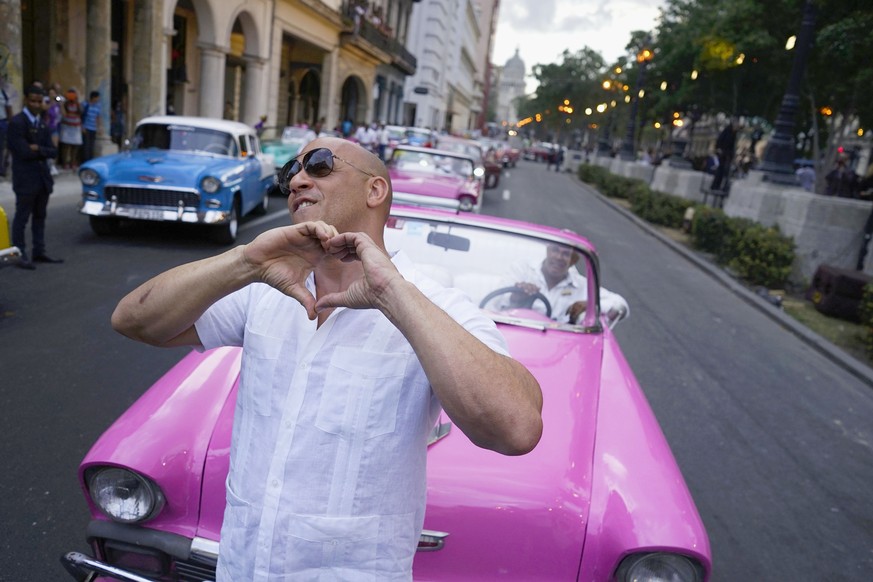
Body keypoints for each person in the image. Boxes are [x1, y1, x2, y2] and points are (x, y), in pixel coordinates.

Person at [110, 136, 543, 580]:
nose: (297, 179)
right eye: (290, 172)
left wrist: (391, 293)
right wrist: (244, 261)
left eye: (319, 165)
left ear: (375, 191)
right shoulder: (266, 287)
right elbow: (135, 321)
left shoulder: (432, 306)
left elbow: (516, 429)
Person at [502, 243, 629, 325]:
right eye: (555, 250)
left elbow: (622, 306)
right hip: (515, 328)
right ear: (547, 251)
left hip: (558, 344)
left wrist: (591, 305)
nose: (558, 257)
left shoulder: (581, 284)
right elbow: (493, 301)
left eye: (566, 254)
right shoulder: (522, 269)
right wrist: (515, 295)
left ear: (573, 261)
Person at [7, 85, 62, 269]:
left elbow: (53, 152)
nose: (37, 104)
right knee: (21, 218)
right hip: (25, 180)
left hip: (42, 181)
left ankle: (39, 251)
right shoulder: (17, 123)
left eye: (40, 101)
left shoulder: (43, 124)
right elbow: (22, 151)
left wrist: (37, 148)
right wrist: (41, 151)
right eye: (33, 100)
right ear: (26, 100)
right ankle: (19, 253)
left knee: (39, 217)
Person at [710, 118, 737, 192]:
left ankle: (721, 186)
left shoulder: (733, 133)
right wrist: (719, 149)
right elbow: (720, 141)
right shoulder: (727, 131)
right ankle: (715, 185)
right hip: (723, 154)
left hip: (727, 154)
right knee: (720, 169)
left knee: (725, 170)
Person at [59, 88, 83, 169]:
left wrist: (77, 102)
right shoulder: (65, 104)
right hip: (67, 126)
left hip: (76, 127)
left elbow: (81, 112)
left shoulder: (78, 104)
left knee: (75, 146)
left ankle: (73, 162)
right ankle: (65, 163)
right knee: (66, 146)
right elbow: (63, 113)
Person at [81, 90, 102, 163]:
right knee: (86, 145)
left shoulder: (98, 106)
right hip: (86, 127)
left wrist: (99, 127)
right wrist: (82, 126)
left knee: (91, 145)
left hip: (93, 127)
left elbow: (98, 117)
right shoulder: (85, 104)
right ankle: (85, 160)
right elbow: (82, 116)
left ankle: (90, 159)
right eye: (97, 97)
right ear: (93, 97)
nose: (98, 99)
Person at [0, 80, 12, 177]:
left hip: (2, 122)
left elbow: (9, 108)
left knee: (3, 146)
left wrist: (10, 122)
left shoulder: (4, 94)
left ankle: (2, 168)